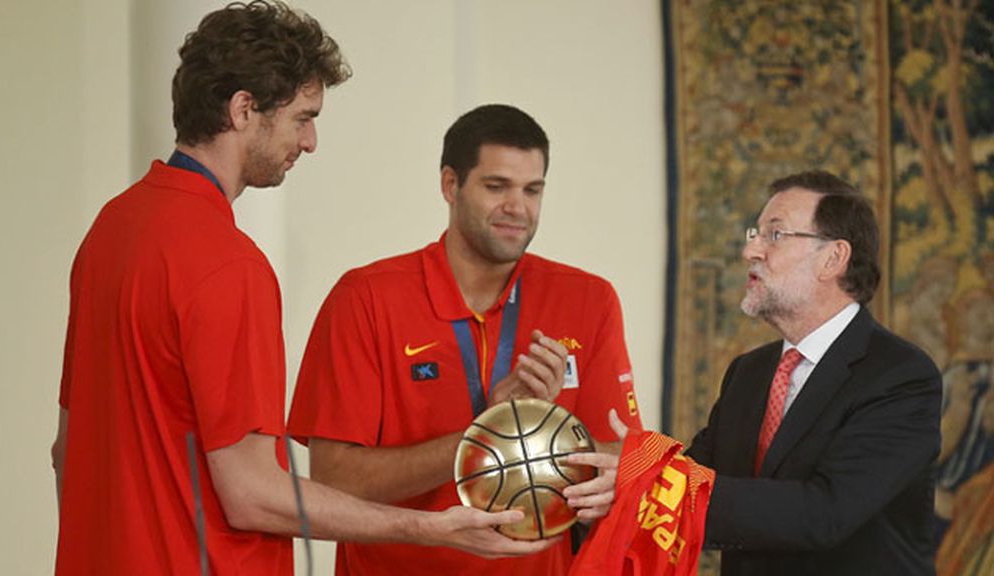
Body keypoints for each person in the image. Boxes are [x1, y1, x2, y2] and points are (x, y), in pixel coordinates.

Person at [50, 4, 552, 575]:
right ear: (244, 110)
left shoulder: (112, 229)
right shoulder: (226, 263)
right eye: (301, 118)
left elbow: (68, 452)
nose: (309, 141)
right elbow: (252, 492)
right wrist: (425, 527)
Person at [286, 103, 643, 575]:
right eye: (497, 187)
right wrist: (492, 430)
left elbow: (620, 461)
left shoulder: (589, 299)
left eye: (532, 189)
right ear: (450, 185)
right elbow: (334, 481)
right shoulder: (366, 298)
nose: (518, 207)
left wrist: (550, 431)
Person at [686, 170, 942, 575]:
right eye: (755, 233)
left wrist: (668, 491)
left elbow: (825, 513)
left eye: (775, 235)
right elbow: (694, 474)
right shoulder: (747, 373)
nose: (750, 251)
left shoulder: (901, 376)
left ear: (833, 258)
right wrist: (623, 472)